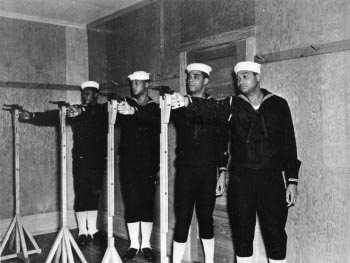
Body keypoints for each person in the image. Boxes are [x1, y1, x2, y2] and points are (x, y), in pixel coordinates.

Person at [171, 61, 301, 263]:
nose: (240, 81)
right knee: (242, 238)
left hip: (272, 181)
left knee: (275, 236)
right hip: (242, 182)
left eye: (245, 76)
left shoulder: (278, 104)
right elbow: (211, 108)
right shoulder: (234, 104)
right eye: (238, 77)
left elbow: (289, 144)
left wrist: (292, 180)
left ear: (258, 77)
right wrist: (188, 102)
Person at [19, 81, 108, 246]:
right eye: (83, 93)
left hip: (98, 160)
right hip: (81, 159)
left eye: (88, 93)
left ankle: (93, 229)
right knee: (81, 193)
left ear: (96, 94)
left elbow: (93, 113)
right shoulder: (74, 110)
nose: (84, 96)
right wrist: (33, 116)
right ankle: (82, 230)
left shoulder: (102, 110)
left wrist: (81, 111)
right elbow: (55, 115)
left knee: (95, 193)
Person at [171, 63, 229, 263]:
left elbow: (222, 139)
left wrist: (222, 171)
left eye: (195, 76)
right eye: (188, 77)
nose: (190, 80)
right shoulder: (179, 107)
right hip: (185, 173)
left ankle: (209, 260)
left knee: (206, 220)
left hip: (206, 173)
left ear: (206, 80)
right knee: (183, 220)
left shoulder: (216, 107)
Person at [116, 71, 160, 261]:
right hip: (128, 162)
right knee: (132, 202)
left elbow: (151, 118)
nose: (133, 85)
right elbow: (118, 116)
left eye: (137, 82)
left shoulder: (154, 108)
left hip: (148, 163)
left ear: (147, 84)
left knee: (147, 203)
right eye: (131, 82)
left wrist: (133, 111)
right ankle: (134, 244)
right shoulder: (125, 104)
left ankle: (147, 244)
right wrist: (122, 109)